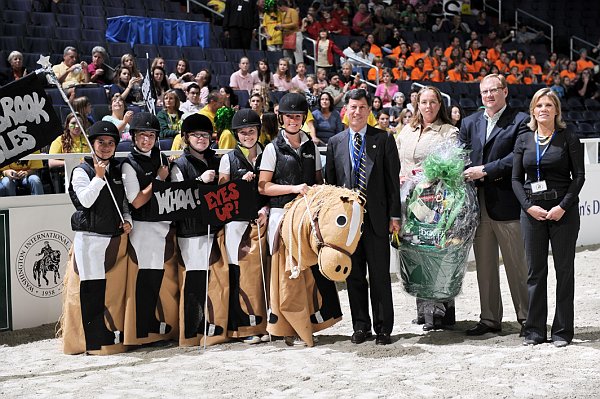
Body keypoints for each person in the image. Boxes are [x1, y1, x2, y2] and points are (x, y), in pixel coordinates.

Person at [258, 92, 339, 347]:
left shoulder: (310, 147)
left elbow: (317, 181)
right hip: (283, 216)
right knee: (288, 276)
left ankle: (314, 320)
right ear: (281, 118)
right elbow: (263, 186)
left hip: (305, 217)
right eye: (289, 116)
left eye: (297, 116)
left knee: (310, 274)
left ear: (303, 118)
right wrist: (293, 189)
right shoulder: (272, 148)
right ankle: (286, 325)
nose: (293, 120)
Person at [325, 89, 401, 345]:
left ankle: (383, 328)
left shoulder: (384, 139)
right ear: (345, 110)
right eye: (352, 107)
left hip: (377, 220)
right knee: (354, 275)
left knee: (380, 276)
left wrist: (395, 216)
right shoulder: (335, 142)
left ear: (369, 111)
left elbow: (393, 183)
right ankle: (360, 326)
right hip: (348, 225)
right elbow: (331, 188)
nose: (356, 112)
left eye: (361, 107)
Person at [512, 88, 585, 347]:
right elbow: (516, 179)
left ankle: (562, 331)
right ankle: (534, 331)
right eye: (539, 105)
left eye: (548, 105)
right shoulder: (524, 140)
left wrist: (563, 207)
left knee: (564, 271)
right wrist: (528, 206)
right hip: (532, 212)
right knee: (535, 273)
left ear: (556, 110)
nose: (543, 109)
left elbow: (578, 177)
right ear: (533, 110)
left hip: (562, 212)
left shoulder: (568, 137)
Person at [459, 74, 529, 336]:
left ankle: (527, 318)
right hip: (477, 207)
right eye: (484, 91)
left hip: (507, 203)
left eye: (494, 90)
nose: (489, 95)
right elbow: (461, 154)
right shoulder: (470, 122)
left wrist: (485, 170)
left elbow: (517, 157)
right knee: (485, 267)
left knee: (517, 265)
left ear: (505, 91)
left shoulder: (521, 121)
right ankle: (489, 318)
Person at [396, 86, 459, 330]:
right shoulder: (407, 130)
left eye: (433, 102)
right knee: (415, 255)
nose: (428, 106)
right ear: (417, 105)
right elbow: (397, 158)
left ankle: (442, 312)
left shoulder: (448, 132)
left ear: (440, 105)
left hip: (435, 203)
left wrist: (425, 176)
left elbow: (451, 165)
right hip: (408, 203)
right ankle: (424, 311)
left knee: (437, 256)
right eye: (424, 102)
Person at [67, 121, 131, 352]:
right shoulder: (81, 171)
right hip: (89, 236)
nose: (106, 147)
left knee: (102, 286)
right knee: (91, 286)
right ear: (92, 144)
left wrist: (127, 220)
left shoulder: (116, 169)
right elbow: (85, 200)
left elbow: (122, 203)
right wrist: (98, 177)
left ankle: (100, 331)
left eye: (111, 143)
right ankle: (92, 339)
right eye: (101, 142)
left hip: (110, 236)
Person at [121, 113, 177, 345]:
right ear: (133, 137)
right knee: (147, 273)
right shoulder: (128, 163)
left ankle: (148, 322)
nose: (147, 140)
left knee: (156, 273)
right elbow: (136, 201)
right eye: (142, 135)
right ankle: (143, 327)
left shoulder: (161, 157)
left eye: (151, 135)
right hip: (143, 224)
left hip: (161, 222)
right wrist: (158, 178)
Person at [169, 113, 222, 345]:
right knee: (196, 276)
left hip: (214, 225)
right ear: (185, 138)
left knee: (214, 277)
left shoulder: (217, 159)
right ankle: (193, 328)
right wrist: (200, 180)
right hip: (191, 229)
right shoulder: (179, 165)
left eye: (204, 135)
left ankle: (212, 321)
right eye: (195, 135)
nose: (201, 139)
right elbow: (177, 197)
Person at [218, 109, 269, 344]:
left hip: (260, 220)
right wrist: (239, 183)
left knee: (259, 273)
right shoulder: (228, 158)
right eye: (243, 132)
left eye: (251, 131)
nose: (248, 136)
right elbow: (221, 192)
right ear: (236, 134)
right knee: (237, 270)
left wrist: (265, 210)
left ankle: (262, 322)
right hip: (236, 222)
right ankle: (239, 325)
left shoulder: (267, 153)